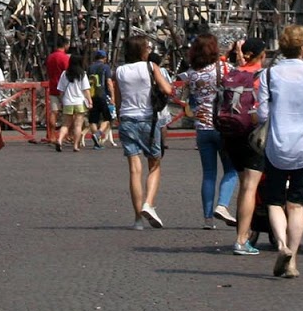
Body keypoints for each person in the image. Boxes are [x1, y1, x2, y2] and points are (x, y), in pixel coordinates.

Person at [251, 24, 303, 280]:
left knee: (274, 201)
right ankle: (292, 259)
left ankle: (281, 244)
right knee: (296, 204)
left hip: (277, 146)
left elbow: (262, 114)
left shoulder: (269, 74)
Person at [111, 34, 174, 229]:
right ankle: (149, 204)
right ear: (141, 50)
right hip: (147, 118)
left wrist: (119, 117)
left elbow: (118, 99)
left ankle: (138, 219)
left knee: (134, 170)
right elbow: (168, 90)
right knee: (154, 165)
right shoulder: (150, 67)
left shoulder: (119, 71)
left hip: (127, 119)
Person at [178, 33, 238, 229]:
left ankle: (207, 219)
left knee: (209, 173)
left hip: (202, 128)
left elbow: (177, 92)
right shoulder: (225, 68)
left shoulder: (191, 74)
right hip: (223, 126)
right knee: (231, 169)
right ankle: (222, 205)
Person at [220, 38, 267, 255]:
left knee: (243, 185)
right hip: (252, 134)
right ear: (261, 55)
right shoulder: (262, 75)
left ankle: (244, 232)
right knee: (250, 186)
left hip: (231, 132)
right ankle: (241, 240)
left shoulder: (232, 73)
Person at [53, 49, 91, 153]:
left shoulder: (65, 74)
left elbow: (61, 90)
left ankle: (59, 140)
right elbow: (86, 90)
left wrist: (61, 101)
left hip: (67, 101)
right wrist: (90, 100)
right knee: (78, 125)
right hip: (79, 102)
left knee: (66, 124)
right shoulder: (82, 74)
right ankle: (75, 146)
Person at [43, 35, 70, 139]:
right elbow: (68, 72)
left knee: (53, 112)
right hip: (64, 88)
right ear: (65, 45)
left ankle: (52, 135)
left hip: (53, 86)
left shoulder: (50, 57)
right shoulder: (64, 58)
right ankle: (67, 135)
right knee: (68, 113)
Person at [87, 49, 115, 148]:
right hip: (103, 95)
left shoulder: (90, 67)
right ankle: (98, 134)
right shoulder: (105, 67)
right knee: (107, 118)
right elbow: (109, 82)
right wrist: (112, 96)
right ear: (105, 58)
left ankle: (97, 143)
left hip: (92, 95)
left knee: (93, 120)